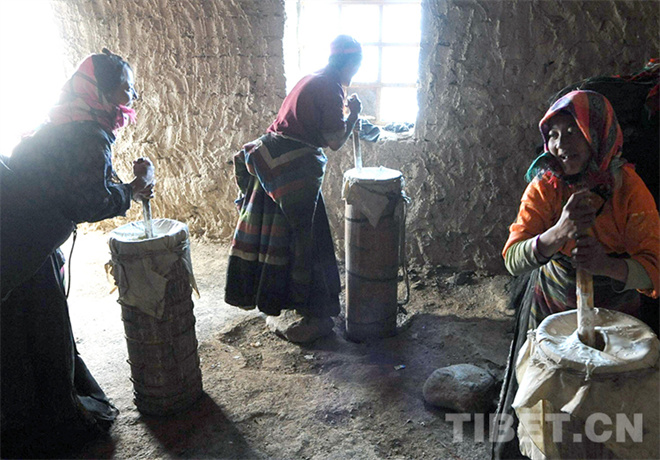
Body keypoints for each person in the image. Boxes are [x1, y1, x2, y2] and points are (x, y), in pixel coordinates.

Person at [0, 49, 154, 457]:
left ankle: (25, 414)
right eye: (124, 88)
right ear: (100, 92)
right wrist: (133, 190)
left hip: (16, 231)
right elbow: (89, 200)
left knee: (21, 328)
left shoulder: (68, 119)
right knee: (41, 328)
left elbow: (76, 181)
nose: (131, 95)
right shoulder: (89, 133)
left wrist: (124, 187)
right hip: (19, 241)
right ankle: (44, 422)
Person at [492, 90, 659, 459]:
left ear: (597, 134)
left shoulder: (628, 191)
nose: (560, 144)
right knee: (549, 415)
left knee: (609, 423)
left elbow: (654, 271)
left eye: (573, 132)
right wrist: (558, 232)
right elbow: (513, 258)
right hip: (550, 307)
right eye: (553, 133)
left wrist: (606, 265)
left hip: (616, 323)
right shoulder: (545, 186)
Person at [224, 35, 363, 343]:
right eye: (355, 69)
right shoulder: (329, 88)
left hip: (272, 159)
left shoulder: (312, 78)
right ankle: (311, 308)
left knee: (276, 236)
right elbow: (335, 141)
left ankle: (281, 300)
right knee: (305, 237)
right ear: (351, 64)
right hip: (294, 167)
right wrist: (353, 114)